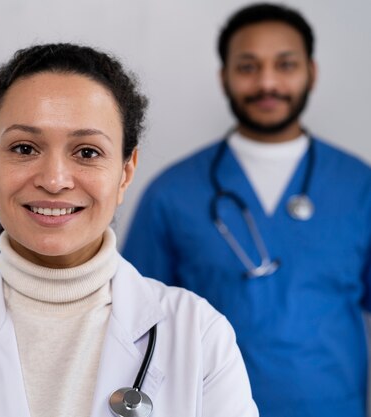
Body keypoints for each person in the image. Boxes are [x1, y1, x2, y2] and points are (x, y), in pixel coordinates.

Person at [0, 43, 258, 417]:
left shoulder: (199, 336)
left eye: (87, 152)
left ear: (126, 171)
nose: (54, 180)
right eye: (24, 149)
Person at [123, 3, 371, 417]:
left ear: (311, 71)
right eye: (248, 66)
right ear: (224, 77)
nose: (267, 82)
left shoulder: (359, 185)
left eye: (285, 65)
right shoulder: (173, 192)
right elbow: (134, 321)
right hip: (206, 407)